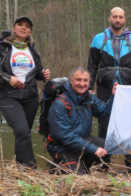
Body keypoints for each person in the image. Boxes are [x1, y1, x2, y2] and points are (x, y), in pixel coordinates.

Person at [87, 7, 131, 170]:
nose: (117, 20)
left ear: (124, 20)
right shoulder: (99, 39)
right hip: (105, 85)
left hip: (128, 86)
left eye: (120, 17)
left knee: (129, 124)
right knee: (104, 124)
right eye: (115, 17)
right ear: (109, 19)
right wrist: (89, 87)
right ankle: (103, 164)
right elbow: (92, 65)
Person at [0, 16, 50, 169]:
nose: (23, 28)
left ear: (30, 31)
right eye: (20, 25)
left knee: (24, 133)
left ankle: (21, 169)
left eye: (27, 26)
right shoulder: (3, 46)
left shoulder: (32, 49)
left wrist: (43, 74)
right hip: (8, 95)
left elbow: (37, 72)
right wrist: (9, 78)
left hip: (30, 96)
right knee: (22, 130)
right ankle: (30, 168)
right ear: (13, 28)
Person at [47, 67, 117, 174]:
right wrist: (94, 149)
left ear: (89, 82)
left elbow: (104, 112)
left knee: (107, 146)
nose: (82, 84)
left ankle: (86, 167)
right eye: (78, 80)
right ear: (71, 81)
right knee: (78, 180)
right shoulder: (60, 103)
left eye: (85, 80)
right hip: (62, 146)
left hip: (82, 140)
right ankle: (54, 166)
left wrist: (113, 96)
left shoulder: (89, 98)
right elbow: (66, 137)